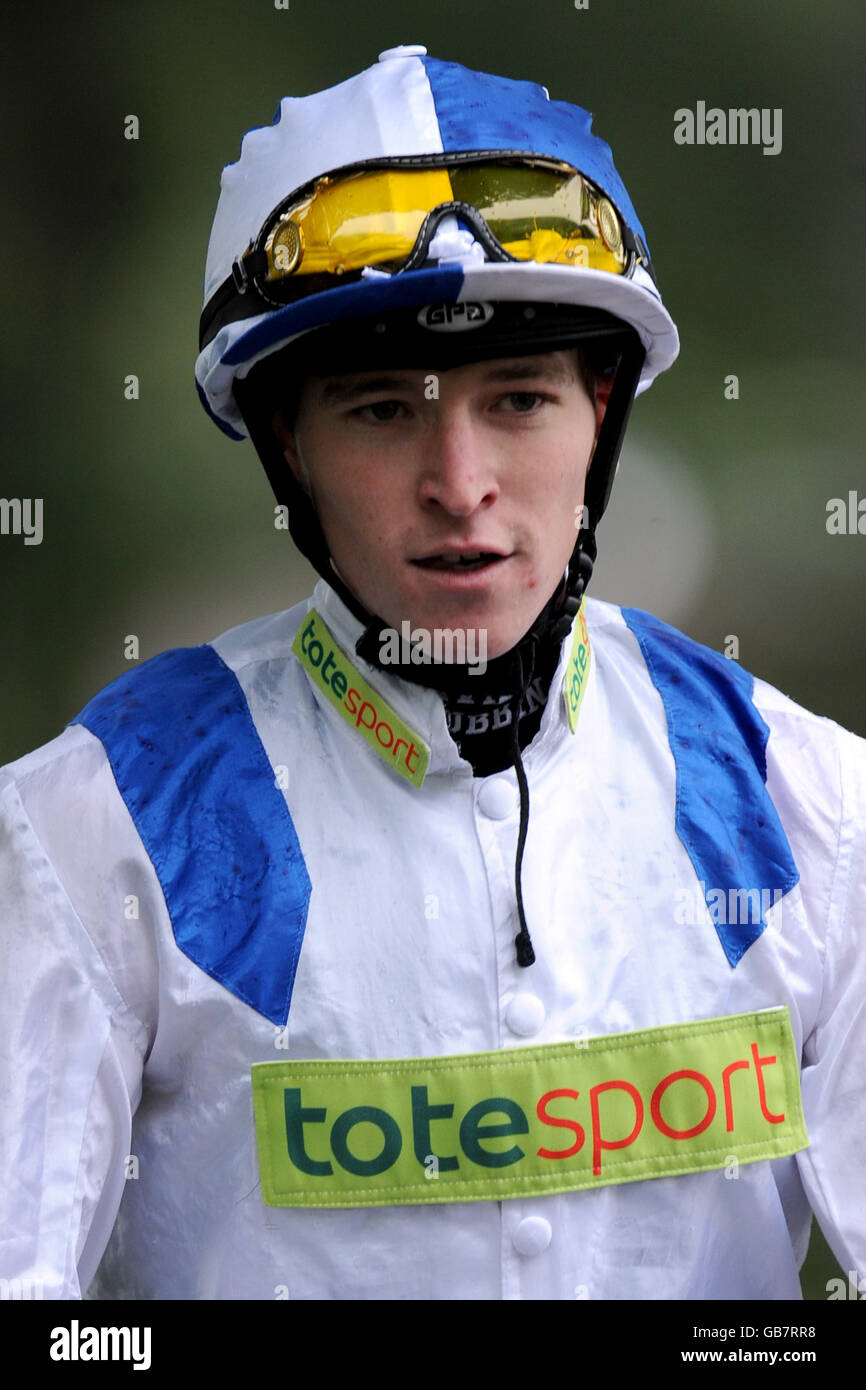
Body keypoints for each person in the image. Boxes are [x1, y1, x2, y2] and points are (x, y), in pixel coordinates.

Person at [1, 44, 863, 1303]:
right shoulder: (91, 826)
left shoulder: (810, 807)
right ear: (284, 446)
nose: (458, 487)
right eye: (379, 411)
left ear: (603, 413)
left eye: (516, 399)